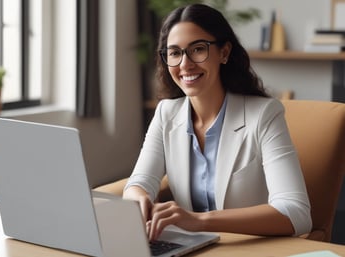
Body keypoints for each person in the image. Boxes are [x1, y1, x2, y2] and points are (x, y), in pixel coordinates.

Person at [123, 3, 312, 241]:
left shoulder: (265, 114)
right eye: (174, 53)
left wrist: (198, 220)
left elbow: (296, 213)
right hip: (191, 247)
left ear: (224, 52)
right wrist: (138, 199)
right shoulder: (166, 113)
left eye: (198, 49)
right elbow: (139, 182)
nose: (185, 64)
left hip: (249, 249)